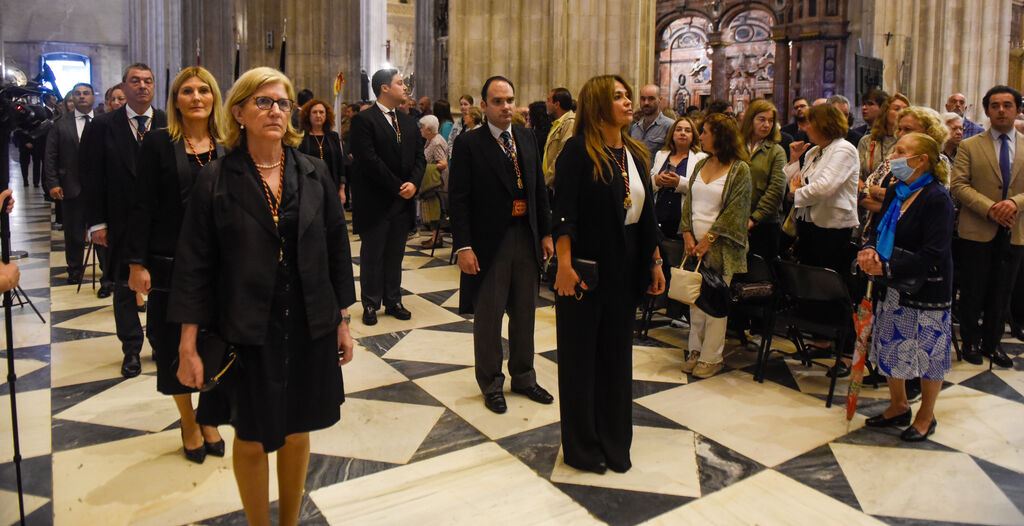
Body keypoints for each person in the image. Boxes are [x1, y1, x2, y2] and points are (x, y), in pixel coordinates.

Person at [170, 67, 355, 526]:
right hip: (245, 327)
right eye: (264, 102)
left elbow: (336, 247)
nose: (276, 111)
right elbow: (194, 265)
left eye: (282, 103)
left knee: (296, 430)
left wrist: (343, 320)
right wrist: (187, 344)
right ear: (239, 112)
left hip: (307, 321)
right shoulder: (215, 179)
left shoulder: (313, 171)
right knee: (251, 435)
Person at [552, 74, 665, 474]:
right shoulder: (577, 151)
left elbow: (646, 214)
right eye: (617, 97)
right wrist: (563, 266)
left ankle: (616, 443)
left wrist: (654, 261)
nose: (628, 101)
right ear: (599, 105)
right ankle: (583, 447)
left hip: (626, 268)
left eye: (627, 95)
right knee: (581, 360)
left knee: (616, 361)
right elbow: (564, 214)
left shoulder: (634, 153)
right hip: (586, 272)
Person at [124, 66, 227, 463]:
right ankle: (188, 420)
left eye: (204, 90)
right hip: (169, 264)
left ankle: (210, 414)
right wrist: (136, 263)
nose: (197, 97)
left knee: (215, 344)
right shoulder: (157, 142)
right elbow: (141, 205)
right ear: (176, 99)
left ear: (214, 98)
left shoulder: (227, 144)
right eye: (188, 91)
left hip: (220, 265)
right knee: (173, 347)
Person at [449, 76, 554, 415]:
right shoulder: (470, 144)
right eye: (498, 101)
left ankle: (523, 376)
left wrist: (545, 233)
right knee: (490, 315)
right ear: (484, 106)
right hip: (489, 240)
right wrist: (463, 246)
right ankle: (492, 382)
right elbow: (459, 199)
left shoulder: (525, 136)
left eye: (509, 99)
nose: (506, 106)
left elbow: (537, 188)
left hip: (525, 235)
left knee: (525, 313)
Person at [858, 132, 954, 442]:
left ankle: (926, 415)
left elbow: (934, 252)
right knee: (890, 343)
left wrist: (887, 265)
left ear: (921, 160)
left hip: (928, 286)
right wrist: (871, 250)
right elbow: (879, 228)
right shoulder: (897, 189)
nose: (894, 156)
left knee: (928, 353)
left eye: (901, 151)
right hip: (894, 282)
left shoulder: (936, 197)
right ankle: (898, 405)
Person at [79, 63, 167, 378]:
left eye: (148, 81)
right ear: (124, 86)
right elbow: (91, 176)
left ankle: (159, 342)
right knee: (124, 287)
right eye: (135, 81)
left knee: (161, 288)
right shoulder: (102, 126)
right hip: (121, 222)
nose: (142, 86)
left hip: (162, 224)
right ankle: (131, 347)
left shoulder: (169, 123)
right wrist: (96, 223)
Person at [950, 85, 1024, 368]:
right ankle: (970, 342)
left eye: (1007, 105)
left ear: (1017, 109)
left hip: (1015, 229)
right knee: (973, 289)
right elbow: (958, 185)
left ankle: (992, 344)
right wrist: (990, 208)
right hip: (977, 228)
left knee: (1002, 290)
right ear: (986, 111)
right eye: (995, 105)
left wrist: (1014, 203)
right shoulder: (970, 145)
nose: (1001, 110)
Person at [349, 68, 426, 325]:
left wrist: (414, 183)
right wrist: (398, 186)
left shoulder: (407, 121)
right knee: (373, 254)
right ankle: (371, 303)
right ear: (384, 88)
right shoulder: (365, 120)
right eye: (400, 83)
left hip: (402, 201)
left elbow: (420, 157)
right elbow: (369, 160)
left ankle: (393, 299)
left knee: (395, 253)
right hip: (376, 200)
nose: (405, 87)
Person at [679, 114, 752, 379]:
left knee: (715, 303)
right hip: (694, 245)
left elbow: (737, 210)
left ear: (720, 136)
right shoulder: (701, 164)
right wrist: (687, 233)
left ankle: (712, 357)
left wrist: (709, 240)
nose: (701, 136)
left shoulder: (739, 169)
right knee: (695, 302)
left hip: (721, 247)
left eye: (706, 132)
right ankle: (695, 351)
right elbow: (689, 201)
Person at [786, 103, 860, 274]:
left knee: (827, 283)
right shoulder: (814, 151)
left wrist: (795, 193)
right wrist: (794, 159)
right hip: (808, 224)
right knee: (808, 280)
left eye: (809, 122)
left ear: (823, 124)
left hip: (831, 228)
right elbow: (794, 181)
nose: (805, 127)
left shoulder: (843, 149)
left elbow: (823, 188)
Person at [860, 106, 950, 240]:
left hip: (909, 241)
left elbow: (919, 205)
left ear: (929, 132)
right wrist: (890, 198)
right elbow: (863, 194)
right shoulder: (894, 158)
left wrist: (879, 193)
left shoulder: (936, 161)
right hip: (874, 235)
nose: (901, 134)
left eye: (908, 129)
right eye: (900, 129)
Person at [44, 82, 95, 285]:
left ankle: (107, 275)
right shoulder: (60, 124)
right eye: (78, 94)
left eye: (86, 93)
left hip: (99, 188)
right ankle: (74, 270)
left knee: (101, 231)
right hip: (71, 187)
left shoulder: (103, 122)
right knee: (73, 233)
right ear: (72, 97)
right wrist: (53, 183)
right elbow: (50, 156)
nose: (82, 96)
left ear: (93, 97)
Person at [739, 99, 787, 260]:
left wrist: (753, 219)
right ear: (750, 120)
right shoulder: (737, 146)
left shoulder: (776, 151)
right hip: (735, 220)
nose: (767, 125)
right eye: (762, 119)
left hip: (765, 224)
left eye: (771, 121)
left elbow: (776, 190)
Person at [650, 116, 708, 239]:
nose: (682, 133)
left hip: (682, 220)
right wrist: (657, 181)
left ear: (693, 136)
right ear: (672, 134)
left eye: (687, 131)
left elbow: (702, 188)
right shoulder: (661, 155)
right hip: (658, 216)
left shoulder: (701, 158)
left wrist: (679, 183)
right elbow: (650, 182)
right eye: (679, 129)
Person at [297, 98, 347, 205]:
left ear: (326, 115)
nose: (318, 115)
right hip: (308, 187)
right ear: (308, 115)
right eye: (314, 112)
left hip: (331, 185)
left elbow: (340, 163)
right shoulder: (301, 138)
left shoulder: (333, 137)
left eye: (321, 112)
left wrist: (342, 189)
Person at [857, 93, 909, 179]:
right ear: (885, 112)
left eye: (906, 109)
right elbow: (857, 172)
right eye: (897, 109)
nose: (902, 112)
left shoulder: (908, 143)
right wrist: (860, 183)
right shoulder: (866, 141)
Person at [418, 114, 449, 249]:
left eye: (423, 127)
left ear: (429, 129)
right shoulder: (430, 140)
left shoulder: (436, 142)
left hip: (437, 182)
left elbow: (442, 164)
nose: (421, 129)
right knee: (432, 209)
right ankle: (435, 237)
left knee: (436, 210)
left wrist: (426, 168)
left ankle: (437, 239)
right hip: (432, 181)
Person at [629, 84, 675, 164]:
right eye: (643, 99)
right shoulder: (635, 127)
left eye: (651, 99)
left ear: (660, 99)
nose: (646, 102)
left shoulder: (670, 125)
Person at [542, 87, 576, 191]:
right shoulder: (558, 123)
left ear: (556, 104)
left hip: (558, 184)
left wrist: (546, 180)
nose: (545, 103)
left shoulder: (570, 122)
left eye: (548, 100)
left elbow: (562, 154)